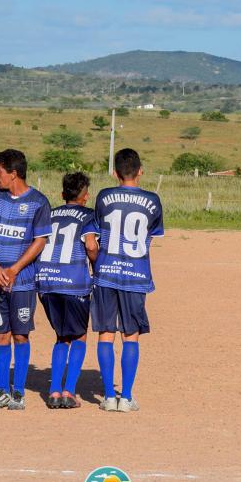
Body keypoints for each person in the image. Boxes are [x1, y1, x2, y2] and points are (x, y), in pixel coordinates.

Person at [90, 148, 164, 413]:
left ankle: (109, 396)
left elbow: (96, 232)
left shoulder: (104, 196)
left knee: (105, 334)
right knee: (130, 335)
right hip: (136, 274)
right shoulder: (153, 200)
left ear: (115, 172)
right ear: (141, 170)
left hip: (106, 272)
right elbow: (150, 237)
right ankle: (127, 396)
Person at [0, 149, 52, 410]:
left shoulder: (39, 203)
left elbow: (40, 241)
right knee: (0, 335)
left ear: (14, 174)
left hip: (22, 282)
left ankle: (18, 391)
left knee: (20, 335)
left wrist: (14, 270)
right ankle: (2, 390)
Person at [35, 172, 98, 409]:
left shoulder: (50, 214)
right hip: (74, 284)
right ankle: (69, 391)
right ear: (85, 196)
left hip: (47, 282)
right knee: (79, 336)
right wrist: (97, 264)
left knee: (62, 336)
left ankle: (53, 392)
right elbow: (91, 245)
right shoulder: (88, 215)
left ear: (62, 194)